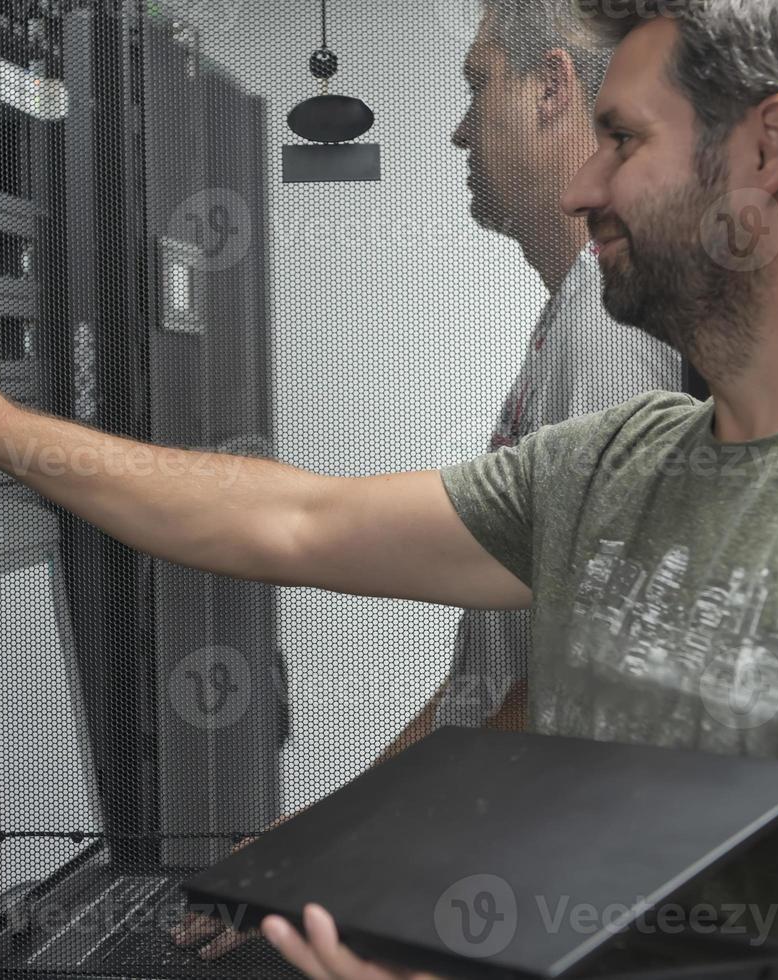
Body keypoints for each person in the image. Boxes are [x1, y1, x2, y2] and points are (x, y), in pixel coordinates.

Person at [0, 0, 778, 975]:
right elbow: (296, 519)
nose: (581, 187)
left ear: (767, 151)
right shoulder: (621, 459)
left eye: (622, 138)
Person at [169, 1, 684, 960]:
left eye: (477, 83)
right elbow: (481, 688)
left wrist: (344, 855)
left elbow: (576, 676)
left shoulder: (610, 336)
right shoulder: (570, 323)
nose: (457, 127)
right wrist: (309, 842)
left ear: (551, 90)